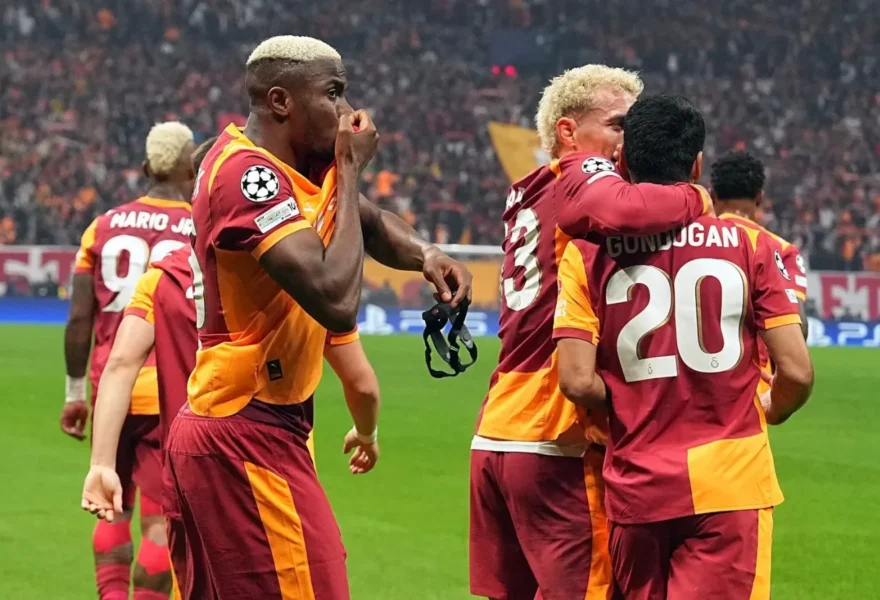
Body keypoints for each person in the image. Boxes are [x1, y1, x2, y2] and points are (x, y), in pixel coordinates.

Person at [157, 36, 471, 599]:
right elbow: (334, 298)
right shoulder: (245, 175)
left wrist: (426, 253)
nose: (348, 111)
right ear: (281, 101)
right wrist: (349, 170)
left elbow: (369, 222)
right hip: (244, 431)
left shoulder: (295, 166)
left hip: (239, 427)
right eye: (333, 93)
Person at [469, 65, 716, 600]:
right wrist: (696, 197)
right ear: (568, 132)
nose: (630, 141)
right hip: (557, 431)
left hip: (498, 432)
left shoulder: (528, 190)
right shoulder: (582, 174)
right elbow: (616, 210)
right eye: (619, 125)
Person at [553, 94, 814, 600]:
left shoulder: (584, 255)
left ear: (624, 162)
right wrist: (771, 407)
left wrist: (628, 397)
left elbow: (576, 381)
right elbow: (798, 373)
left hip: (637, 484)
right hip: (731, 482)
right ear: (696, 166)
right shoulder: (753, 245)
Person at [61, 121, 196, 600]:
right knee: (161, 521)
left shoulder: (102, 226)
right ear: (191, 169)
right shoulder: (200, 227)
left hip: (111, 390)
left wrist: (75, 393)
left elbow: (80, 317)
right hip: (171, 391)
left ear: (145, 168)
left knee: (109, 505)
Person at [713, 150, 808, 337]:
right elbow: (799, 324)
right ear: (760, 197)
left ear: (712, 195)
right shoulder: (783, 250)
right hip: (753, 355)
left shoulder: (687, 237)